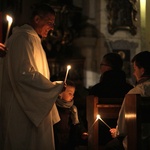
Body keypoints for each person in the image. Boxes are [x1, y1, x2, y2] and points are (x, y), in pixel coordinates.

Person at [0, 3, 64, 150]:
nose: (52, 27)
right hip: (21, 109)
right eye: (49, 23)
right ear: (36, 19)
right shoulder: (23, 39)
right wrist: (53, 88)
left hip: (30, 106)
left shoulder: (32, 39)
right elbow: (24, 75)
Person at [105, 51, 150, 150]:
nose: (134, 73)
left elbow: (122, 129)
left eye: (135, 69)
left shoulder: (134, 93)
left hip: (138, 143)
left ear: (142, 70)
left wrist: (116, 132)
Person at [89, 52, 133, 145]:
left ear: (109, 67)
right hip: (126, 136)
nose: (100, 67)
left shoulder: (96, 90)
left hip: (101, 136)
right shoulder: (130, 90)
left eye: (102, 65)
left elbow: (88, 116)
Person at [53, 80, 88, 150]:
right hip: (56, 140)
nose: (72, 96)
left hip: (69, 142)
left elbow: (78, 123)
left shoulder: (73, 109)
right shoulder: (54, 108)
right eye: (70, 93)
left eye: (73, 94)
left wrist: (82, 132)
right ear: (60, 93)